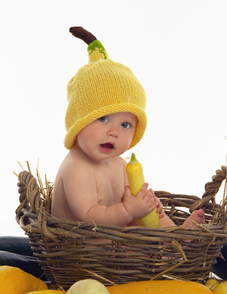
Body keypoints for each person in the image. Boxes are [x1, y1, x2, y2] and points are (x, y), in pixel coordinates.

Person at [51, 27, 204, 228]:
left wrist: (146, 205)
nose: (114, 132)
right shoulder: (77, 168)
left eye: (125, 125)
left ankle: (175, 235)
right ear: (79, 121)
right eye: (103, 118)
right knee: (133, 230)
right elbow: (89, 218)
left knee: (143, 217)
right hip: (86, 244)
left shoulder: (120, 164)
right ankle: (168, 247)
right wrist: (127, 210)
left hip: (115, 233)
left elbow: (129, 208)